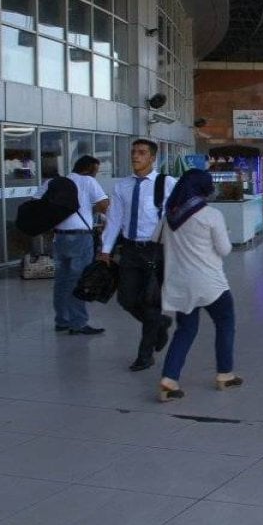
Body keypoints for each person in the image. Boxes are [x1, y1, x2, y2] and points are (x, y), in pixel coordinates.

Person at [155, 169, 242, 402]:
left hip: (180, 284)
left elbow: (158, 240)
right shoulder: (211, 215)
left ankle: (169, 379)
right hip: (210, 283)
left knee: (185, 330)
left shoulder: (170, 216)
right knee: (225, 322)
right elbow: (224, 249)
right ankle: (225, 374)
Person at [98, 139, 177, 371]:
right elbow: (114, 220)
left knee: (151, 303)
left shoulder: (167, 183)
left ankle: (145, 354)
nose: (135, 156)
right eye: (133, 152)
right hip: (131, 249)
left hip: (157, 250)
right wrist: (105, 249)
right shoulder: (122, 186)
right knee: (126, 299)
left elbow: (178, 215)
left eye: (141, 153)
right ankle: (160, 325)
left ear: (152, 158)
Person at [38, 155, 109, 335]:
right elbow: (104, 205)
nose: (96, 174)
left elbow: (36, 203)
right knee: (79, 280)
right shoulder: (88, 181)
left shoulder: (53, 182)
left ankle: (62, 320)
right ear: (89, 169)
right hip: (80, 237)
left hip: (59, 238)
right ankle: (78, 323)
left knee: (61, 281)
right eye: (96, 171)